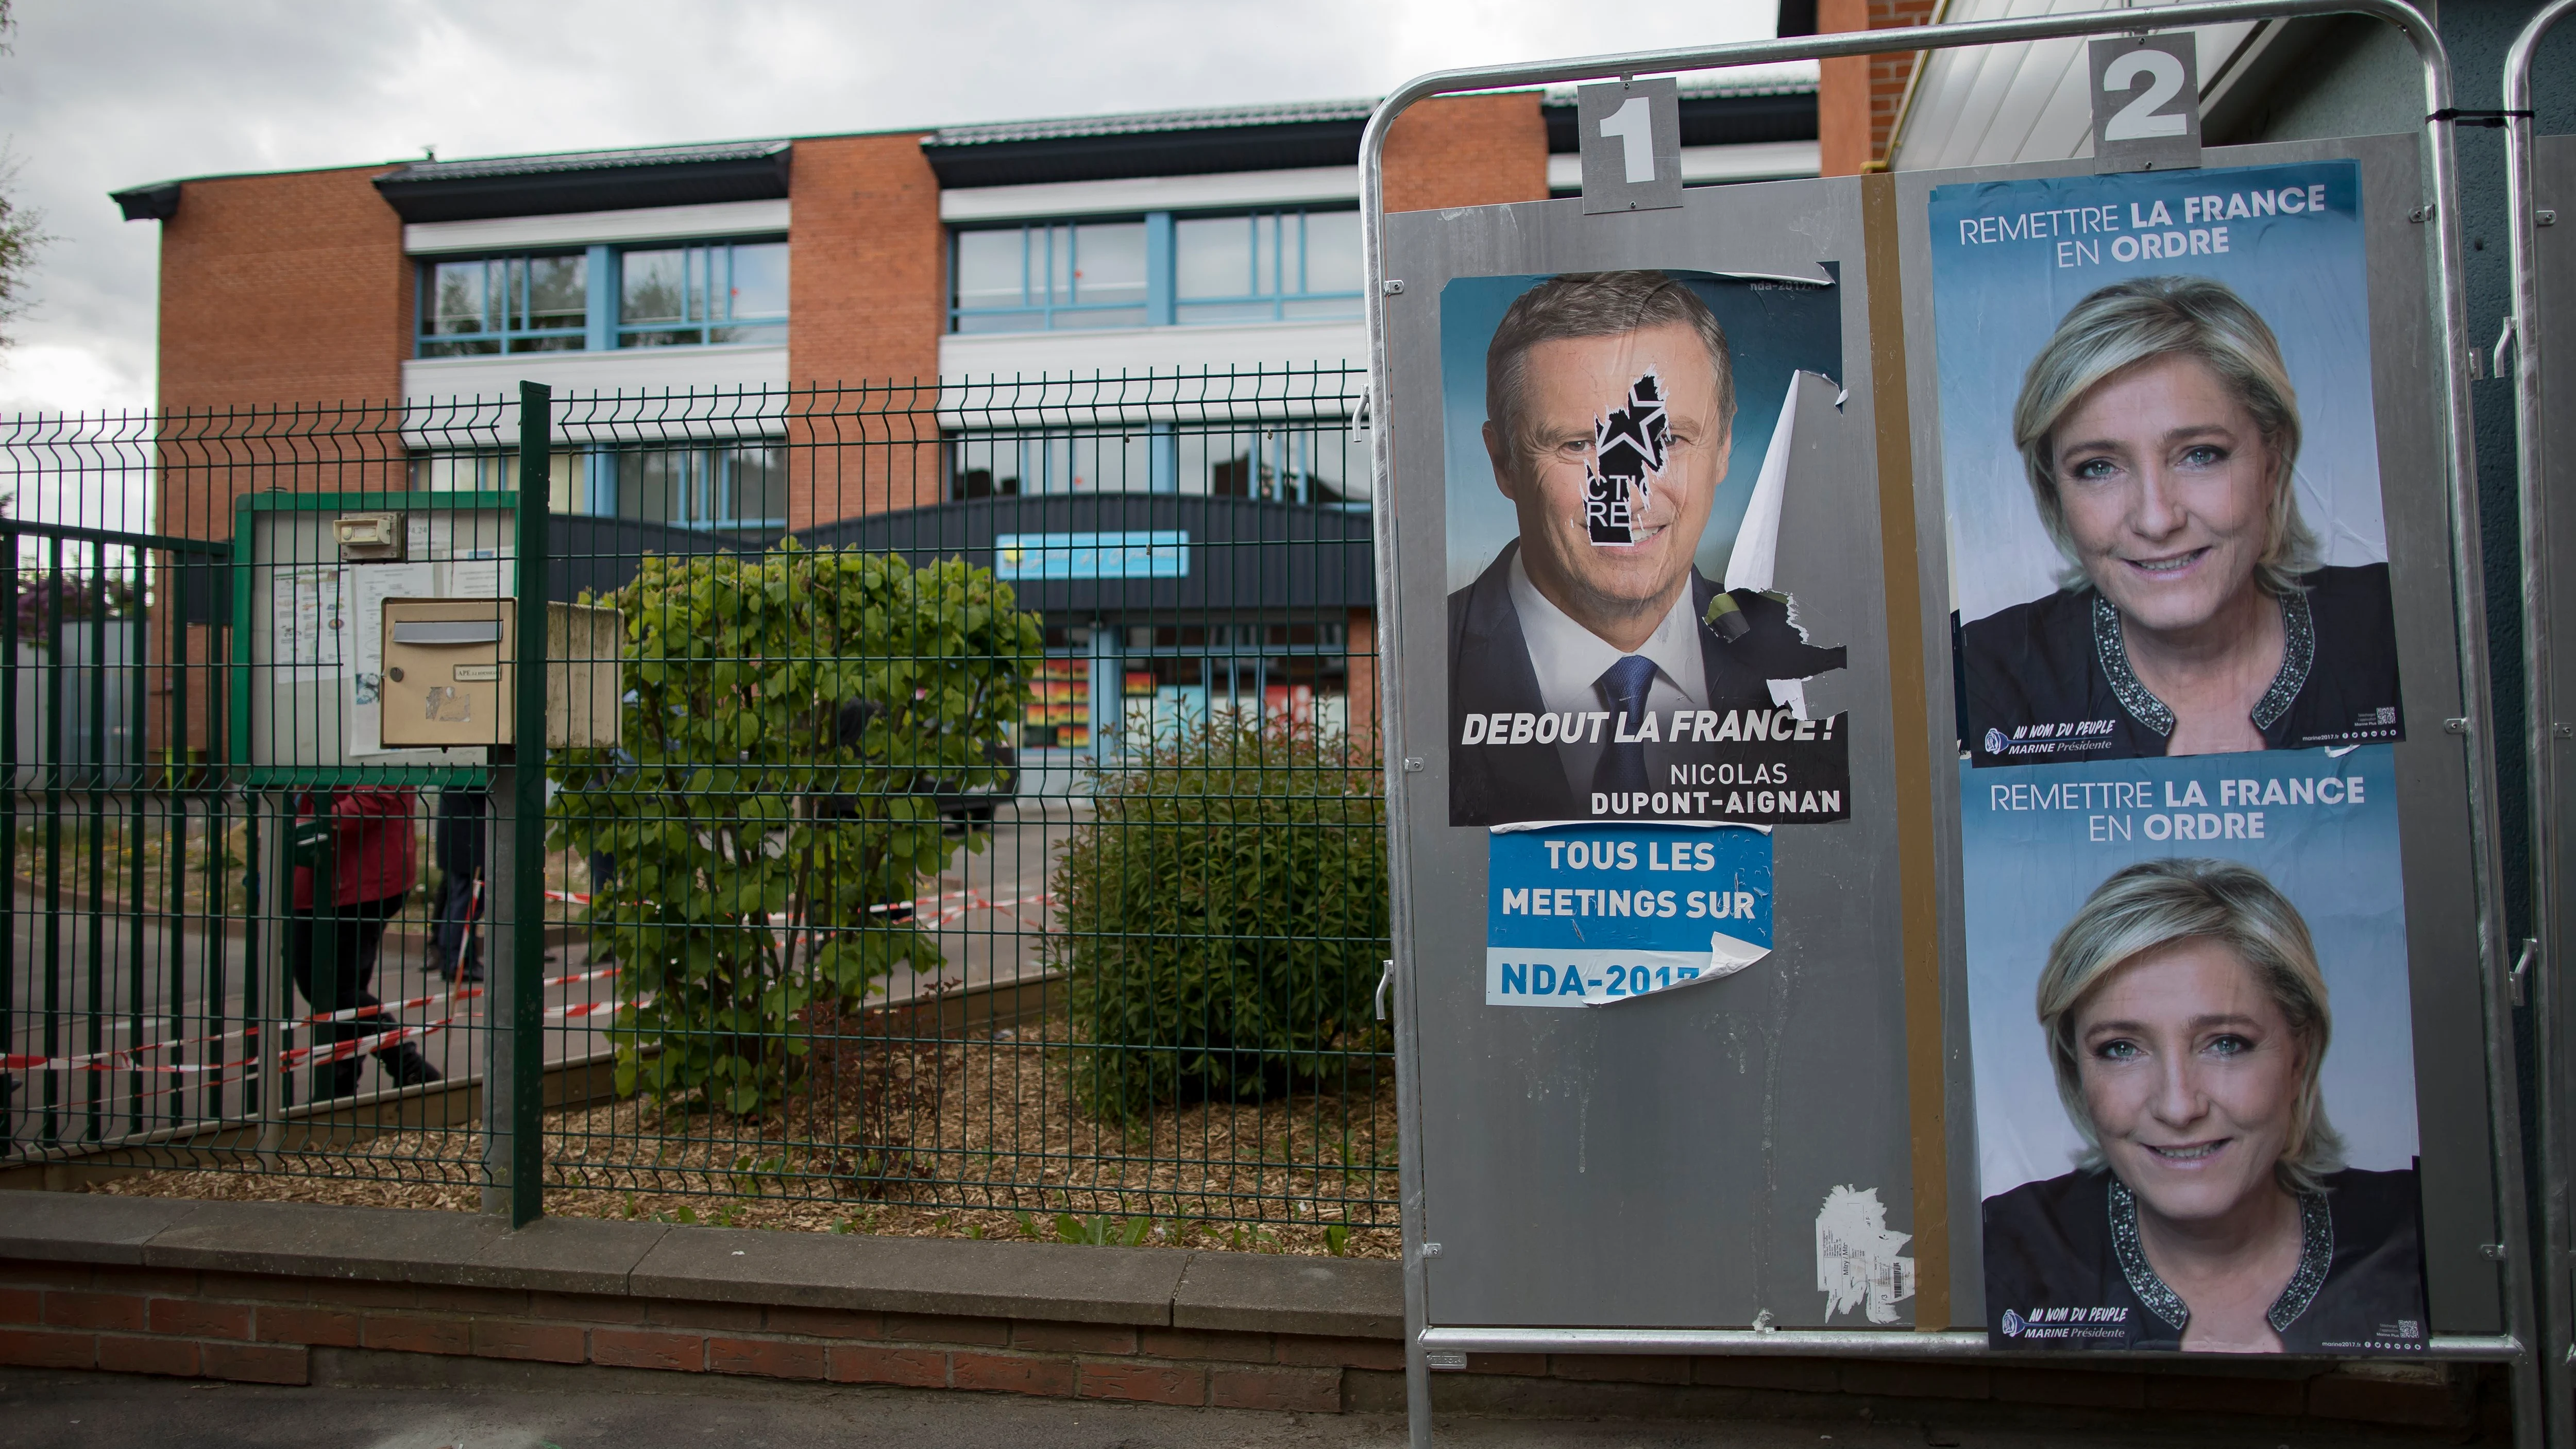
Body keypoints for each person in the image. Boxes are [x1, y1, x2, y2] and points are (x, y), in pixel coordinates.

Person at [1448, 270, 1843, 825]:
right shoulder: (1429, 668)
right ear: (1503, 462)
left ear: (1723, 445)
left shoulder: (1820, 668)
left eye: (1667, 440)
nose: (1630, 493)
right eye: (1578, 444)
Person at [1981, 859, 2424, 1354]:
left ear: (2300, 1057)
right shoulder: (2003, 1250)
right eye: (2121, 1048)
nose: (2177, 1106)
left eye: (2226, 1043)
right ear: (2077, 1071)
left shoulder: (2421, 1234)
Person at [1959, 277, 2402, 766]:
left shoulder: (2396, 625)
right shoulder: (1984, 674)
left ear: (2271, 462)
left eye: (2200, 455)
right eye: (2098, 467)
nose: (2156, 520)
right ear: (2055, 490)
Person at [286, 787, 442, 1098]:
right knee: (338, 989)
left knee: (332, 989)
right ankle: (342, 1087)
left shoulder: (369, 742)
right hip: (329, 874)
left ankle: (406, 1065)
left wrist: (313, 823)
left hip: (357, 877)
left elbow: (380, 793)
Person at [426, 786, 485, 985]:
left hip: (461, 841)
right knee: (465, 905)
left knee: (460, 902)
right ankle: (459, 963)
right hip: (469, 843)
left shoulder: (456, 765)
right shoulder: (471, 765)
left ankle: (457, 960)